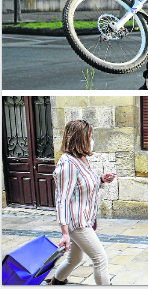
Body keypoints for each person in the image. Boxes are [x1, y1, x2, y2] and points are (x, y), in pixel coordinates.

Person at [50, 120, 116, 285]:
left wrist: (101, 180)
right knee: (100, 258)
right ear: (79, 139)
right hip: (77, 223)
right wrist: (65, 232)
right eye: (90, 137)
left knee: (74, 259)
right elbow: (62, 199)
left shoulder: (82, 158)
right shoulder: (68, 164)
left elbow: (83, 185)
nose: (92, 140)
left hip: (86, 218)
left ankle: (56, 282)